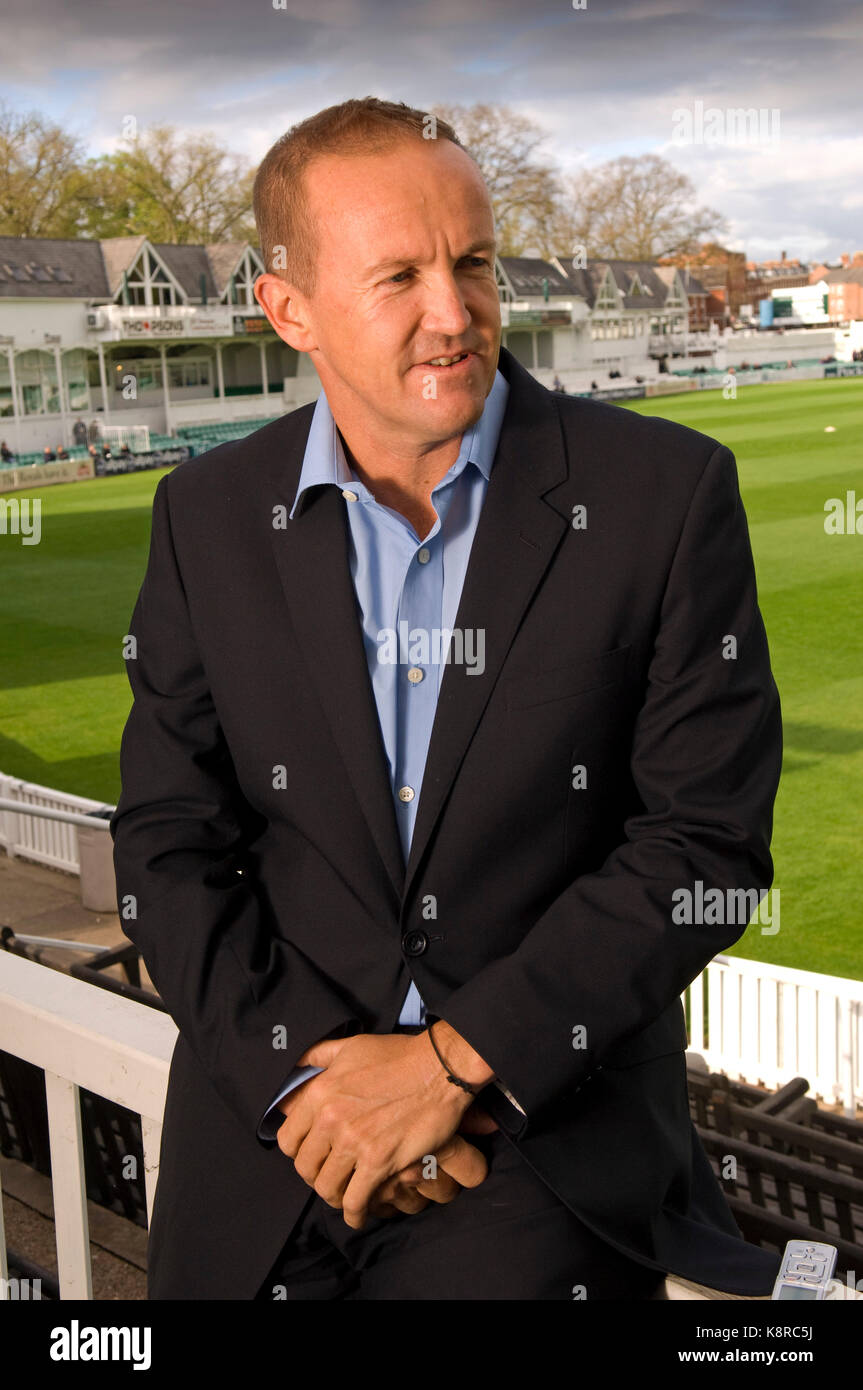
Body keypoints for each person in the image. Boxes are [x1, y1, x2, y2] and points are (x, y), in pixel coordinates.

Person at [112, 97, 784, 1302]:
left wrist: (446, 1070)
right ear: (289, 311)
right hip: (271, 1143)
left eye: (471, 261)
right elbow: (169, 837)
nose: (454, 313)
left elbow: (705, 848)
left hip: (536, 1156)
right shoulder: (205, 516)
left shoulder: (662, 495)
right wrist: (311, 1089)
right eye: (399, 275)